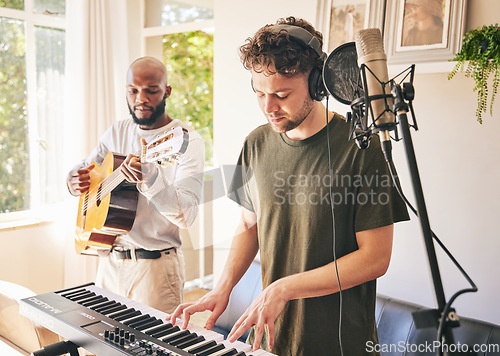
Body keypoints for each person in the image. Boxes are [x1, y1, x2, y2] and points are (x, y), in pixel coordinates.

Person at [168, 17, 409, 355]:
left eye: (281, 94)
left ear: (316, 85)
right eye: (260, 94)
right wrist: (222, 288)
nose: (269, 108)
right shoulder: (255, 143)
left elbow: (375, 258)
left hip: (340, 345)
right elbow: (249, 224)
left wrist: (284, 288)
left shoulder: (362, 149)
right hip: (270, 340)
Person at [67, 56, 205, 314]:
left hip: (154, 270)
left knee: (154, 351)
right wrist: (73, 179)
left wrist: (151, 179)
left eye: (151, 90)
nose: (141, 98)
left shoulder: (186, 142)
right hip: (108, 262)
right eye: (133, 91)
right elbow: (87, 170)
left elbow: (187, 215)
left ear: (167, 91)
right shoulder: (117, 131)